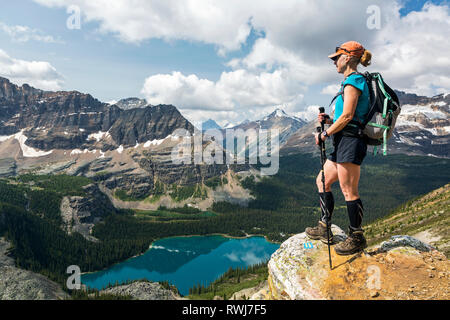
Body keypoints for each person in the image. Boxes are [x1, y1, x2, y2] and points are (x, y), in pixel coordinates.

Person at [305, 41, 372, 255]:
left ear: (348, 57)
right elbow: (345, 117)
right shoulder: (348, 82)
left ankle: (356, 237)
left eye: (336, 57)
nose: (334, 61)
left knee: (348, 190)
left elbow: (349, 116)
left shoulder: (355, 81)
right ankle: (325, 228)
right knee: (322, 180)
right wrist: (329, 120)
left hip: (351, 142)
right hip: (343, 140)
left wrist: (325, 133)